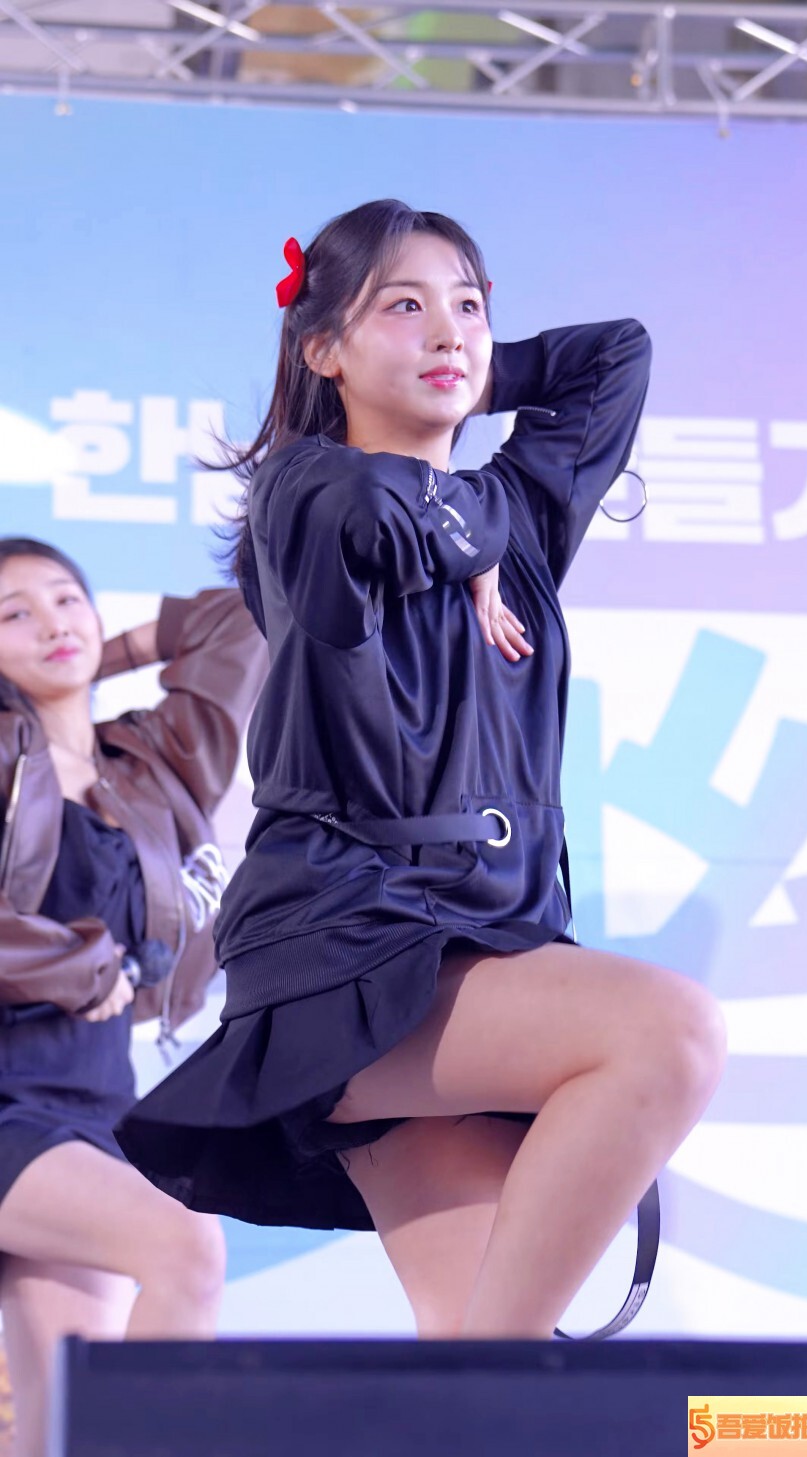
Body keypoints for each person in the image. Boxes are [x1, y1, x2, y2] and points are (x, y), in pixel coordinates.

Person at [117, 199, 727, 1339]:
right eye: (403, 306)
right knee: (670, 1031)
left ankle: (477, 1401)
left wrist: (478, 385)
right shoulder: (302, 493)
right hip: (349, 942)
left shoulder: (513, 514)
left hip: (485, 940)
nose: (449, 330)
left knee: (479, 1346)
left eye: (469, 306)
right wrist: (476, 525)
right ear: (323, 350)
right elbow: (375, 508)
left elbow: (617, 355)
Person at [0, 537, 267, 1457]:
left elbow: (239, 621)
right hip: (7, 1102)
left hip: (92, 1106)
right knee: (186, 1247)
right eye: (14, 614)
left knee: (60, 1423)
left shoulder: (152, 763)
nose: (51, 622)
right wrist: (84, 966)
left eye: (66, 599)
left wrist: (93, 659)